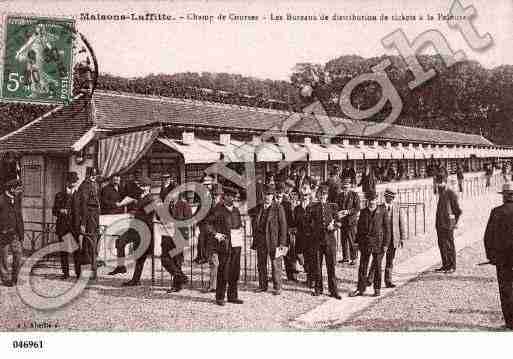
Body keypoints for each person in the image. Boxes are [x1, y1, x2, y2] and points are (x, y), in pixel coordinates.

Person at [483, 182, 513, 330]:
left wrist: (491, 256)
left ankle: (510, 321)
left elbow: (488, 237)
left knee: (506, 288)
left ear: (505, 196)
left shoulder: (496, 212)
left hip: (503, 259)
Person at [208, 186, 244, 305]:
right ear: (226, 197)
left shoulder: (236, 210)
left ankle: (232, 296)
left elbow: (238, 224)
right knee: (223, 271)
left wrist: (240, 229)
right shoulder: (218, 209)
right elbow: (208, 224)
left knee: (234, 271)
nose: (234, 199)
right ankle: (220, 297)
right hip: (225, 246)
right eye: (231, 197)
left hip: (236, 246)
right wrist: (216, 234)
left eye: (235, 197)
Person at [350, 191, 388, 297]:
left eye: (373, 200)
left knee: (377, 266)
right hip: (365, 243)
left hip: (378, 243)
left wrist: (385, 244)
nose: (372, 202)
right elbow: (359, 229)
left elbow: (387, 229)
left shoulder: (382, 211)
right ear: (367, 201)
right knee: (363, 267)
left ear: (376, 200)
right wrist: (357, 242)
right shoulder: (363, 212)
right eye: (370, 200)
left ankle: (377, 289)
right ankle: (361, 289)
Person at [252, 184, 287, 295]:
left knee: (276, 264)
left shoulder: (278, 208)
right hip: (261, 240)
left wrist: (282, 243)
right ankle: (262, 285)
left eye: (270, 194)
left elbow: (283, 226)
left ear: (273, 196)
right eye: (265, 194)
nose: (267, 197)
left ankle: (277, 287)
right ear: (262, 195)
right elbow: (255, 223)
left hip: (274, 241)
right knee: (261, 264)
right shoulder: (259, 208)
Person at [122, 179, 157, 287]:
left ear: (149, 187)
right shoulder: (140, 197)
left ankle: (136, 280)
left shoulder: (151, 199)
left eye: (144, 186)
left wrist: (136, 213)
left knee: (141, 256)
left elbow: (148, 213)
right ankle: (135, 279)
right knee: (139, 256)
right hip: (138, 229)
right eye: (141, 186)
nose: (142, 188)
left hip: (145, 229)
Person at [368, 188, 406, 288]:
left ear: (393, 198)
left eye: (391, 197)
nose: (390, 199)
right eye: (388, 197)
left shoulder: (397, 208)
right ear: (385, 197)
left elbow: (401, 223)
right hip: (381, 240)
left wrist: (402, 238)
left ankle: (388, 280)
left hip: (393, 239)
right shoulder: (379, 208)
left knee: (390, 260)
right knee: (377, 260)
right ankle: (370, 279)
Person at [307, 184, 341, 299]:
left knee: (331, 267)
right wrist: (313, 228)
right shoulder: (312, 207)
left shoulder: (332, 207)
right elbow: (307, 223)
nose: (323, 196)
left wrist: (334, 226)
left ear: (327, 195)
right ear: (317, 195)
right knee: (317, 266)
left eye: (325, 194)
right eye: (321, 194)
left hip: (330, 242)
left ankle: (333, 290)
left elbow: (339, 222)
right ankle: (318, 288)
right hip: (316, 242)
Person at [52, 172, 81, 280]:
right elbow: (54, 211)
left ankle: (78, 273)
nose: (73, 184)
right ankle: (65, 273)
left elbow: (82, 211)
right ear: (67, 182)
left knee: (76, 251)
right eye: (72, 182)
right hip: (63, 227)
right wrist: (60, 210)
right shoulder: (59, 195)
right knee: (64, 252)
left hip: (75, 227)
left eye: (75, 182)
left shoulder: (79, 195)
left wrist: (81, 225)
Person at [75, 167, 101, 281]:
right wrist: (84, 223)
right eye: (92, 176)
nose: (93, 178)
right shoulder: (85, 186)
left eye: (94, 176)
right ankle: (89, 272)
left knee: (92, 247)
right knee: (88, 247)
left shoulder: (94, 185)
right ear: (87, 176)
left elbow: (96, 205)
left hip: (94, 220)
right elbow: (84, 205)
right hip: (89, 219)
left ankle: (92, 272)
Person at [434, 173, 462, 273]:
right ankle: (445, 264)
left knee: (449, 245)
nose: (439, 184)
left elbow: (458, 210)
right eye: (438, 182)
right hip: (440, 224)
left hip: (448, 224)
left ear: (445, 182)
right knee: (442, 245)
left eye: (440, 182)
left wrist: (455, 222)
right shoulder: (441, 192)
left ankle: (452, 266)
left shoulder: (450, 193)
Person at [0, 179, 24, 287]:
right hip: (3, 235)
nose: (20, 191)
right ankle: (5, 279)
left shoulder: (17, 199)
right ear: (12, 189)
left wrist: (21, 233)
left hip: (15, 234)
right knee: (3, 258)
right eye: (19, 189)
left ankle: (14, 279)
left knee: (18, 256)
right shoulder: (1, 200)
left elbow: (19, 217)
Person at [202, 183, 224, 292]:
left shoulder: (224, 206)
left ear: (221, 195)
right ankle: (213, 285)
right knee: (213, 262)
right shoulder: (209, 205)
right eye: (214, 195)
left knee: (221, 263)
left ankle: (217, 285)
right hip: (211, 237)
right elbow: (206, 222)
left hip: (222, 238)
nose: (216, 197)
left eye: (218, 195)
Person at [335, 177, 361, 265]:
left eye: (347, 187)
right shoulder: (339, 196)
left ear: (350, 186)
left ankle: (354, 258)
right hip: (343, 222)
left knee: (352, 240)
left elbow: (357, 208)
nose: (345, 189)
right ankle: (345, 257)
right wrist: (339, 213)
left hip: (351, 222)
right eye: (344, 187)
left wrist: (348, 211)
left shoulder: (354, 195)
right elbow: (337, 207)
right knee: (343, 240)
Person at [275, 182, 298, 282]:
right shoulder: (281, 202)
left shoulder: (288, 202)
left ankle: (291, 275)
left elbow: (291, 218)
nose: (289, 189)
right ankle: (278, 276)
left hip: (287, 231)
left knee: (289, 254)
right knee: (279, 254)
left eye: (291, 187)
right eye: (288, 187)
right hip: (279, 232)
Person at [293, 192, 313, 288]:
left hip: (310, 237)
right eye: (303, 196)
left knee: (309, 257)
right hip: (300, 236)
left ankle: (310, 279)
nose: (304, 198)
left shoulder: (313, 207)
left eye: (306, 195)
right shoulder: (297, 208)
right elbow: (294, 221)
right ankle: (306, 270)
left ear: (309, 196)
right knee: (299, 254)